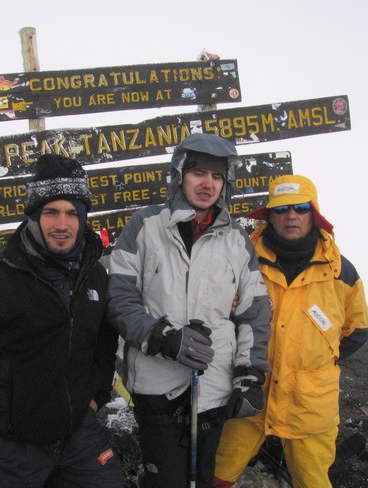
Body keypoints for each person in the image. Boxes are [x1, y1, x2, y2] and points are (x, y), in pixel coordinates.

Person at [0, 154, 123, 488]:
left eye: (72, 213)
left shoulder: (94, 274)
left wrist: (97, 396)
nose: (62, 224)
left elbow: (104, 343)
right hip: (11, 447)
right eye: (51, 212)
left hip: (81, 435)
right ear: (33, 215)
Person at [107, 132, 272, 488]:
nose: (207, 183)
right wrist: (162, 337)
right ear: (180, 174)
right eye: (199, 173)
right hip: (156, 384)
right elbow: (119, 298)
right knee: (165, 480)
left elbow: (253, 311)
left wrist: (249, 372)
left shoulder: (236, 239)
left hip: (214, 384)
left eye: (216, 176)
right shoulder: (145, 226)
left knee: (204, 478)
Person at [213, 174, 368, 488]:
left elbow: (359, 329)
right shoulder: (242, 260)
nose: (291, 216)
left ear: (313, 213)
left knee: (312, 482)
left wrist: (321, 360)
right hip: (247, 393)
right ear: (270, 216)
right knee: (216, 474)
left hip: (309, 406)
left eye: (300, 208)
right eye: (282, 209)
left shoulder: (342, 272)